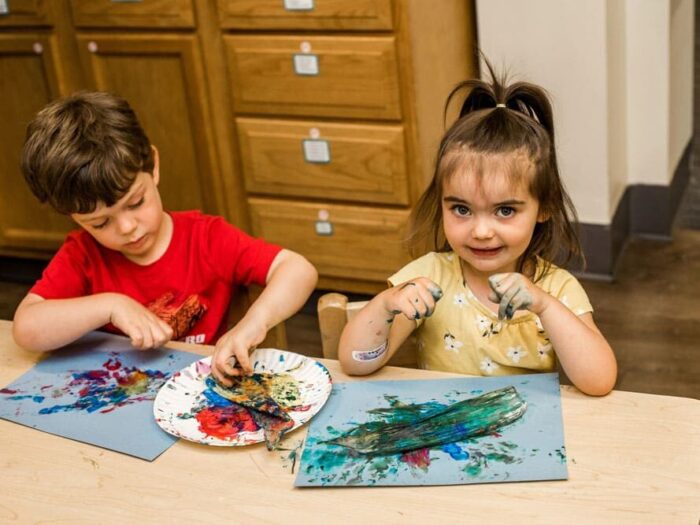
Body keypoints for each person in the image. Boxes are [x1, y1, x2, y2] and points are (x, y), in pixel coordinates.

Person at [338, 66, 617, 396]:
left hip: (520, 437)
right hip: (446, 432)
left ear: (545, 207)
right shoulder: (429, 277)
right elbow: (356, 363)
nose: (481, 231)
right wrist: (385, 305)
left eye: (505, 210)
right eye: (461, 209)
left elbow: (599, 382)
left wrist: (545, 307)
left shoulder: (556, 290)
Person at [12, 91, 317, 386]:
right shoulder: (83, 255)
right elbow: (26, 329)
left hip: (201, 392)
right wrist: (109, 305)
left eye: (136, 203)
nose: (128, 227)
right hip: (123, 394)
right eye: (101, 222)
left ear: (153, 166)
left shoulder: (206, 238)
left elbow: (298, 270)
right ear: (73, 217)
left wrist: (252, 325)